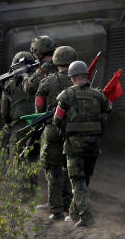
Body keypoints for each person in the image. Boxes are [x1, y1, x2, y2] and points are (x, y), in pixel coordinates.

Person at [52, 60, 112, 228]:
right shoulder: (97, 94)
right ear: (87, 76)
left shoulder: (66, 95)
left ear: (72, 78)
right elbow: (108, 108)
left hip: (74, 147)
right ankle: (73, 214)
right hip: (93, 146)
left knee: (77, 181)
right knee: (83, 181)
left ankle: (86, 215)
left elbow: (57, 119)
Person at [35, 45, 77, 220]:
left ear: (55, 61)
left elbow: (38, 107)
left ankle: (56, 209)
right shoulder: (79, 81)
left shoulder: (46, 81)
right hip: (74, 130)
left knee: (52, 169)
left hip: (52, 129)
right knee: (70, 168)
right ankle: (69, 207)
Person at [1, 51, 37, 151]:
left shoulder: (9, 85)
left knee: (17, 162)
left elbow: (4, 112)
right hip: (39, 125)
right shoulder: (40, 79)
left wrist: (9, 123)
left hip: (18, 127)